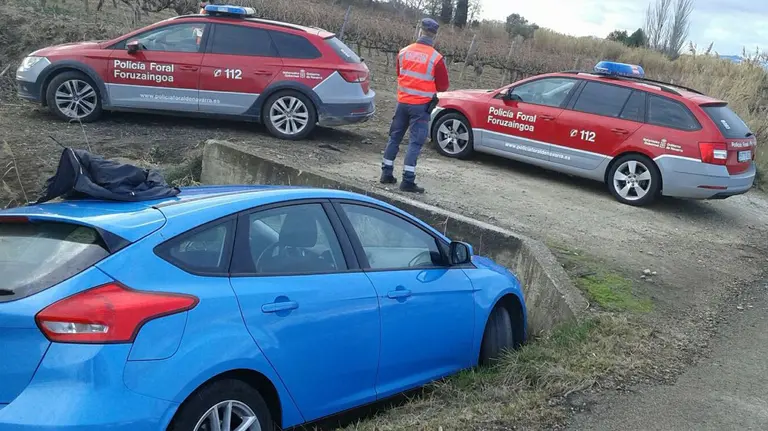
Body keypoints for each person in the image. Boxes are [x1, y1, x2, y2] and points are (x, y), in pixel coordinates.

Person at [380, 18, 450, 193]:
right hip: (421, 107)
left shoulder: (403, 52)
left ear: (420, 31)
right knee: (415, 142)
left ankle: (386, 173)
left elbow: (400, 73)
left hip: (402, 103)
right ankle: (408, 180)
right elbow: (443, 86)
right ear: (435, 35)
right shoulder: (436, 58)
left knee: (394, 138)